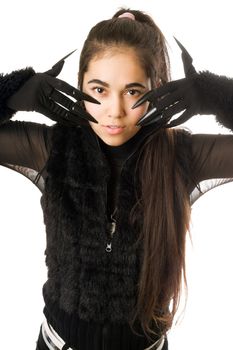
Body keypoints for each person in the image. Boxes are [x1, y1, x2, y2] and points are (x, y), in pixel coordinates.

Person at [1, 8, 233, 350]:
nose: (114, 110)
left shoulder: (181, 155)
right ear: (79, 84)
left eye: (133, 91)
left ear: (158, 88)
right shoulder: (52, 147)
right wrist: (15, 91)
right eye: (99, 89)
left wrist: (217, 96)